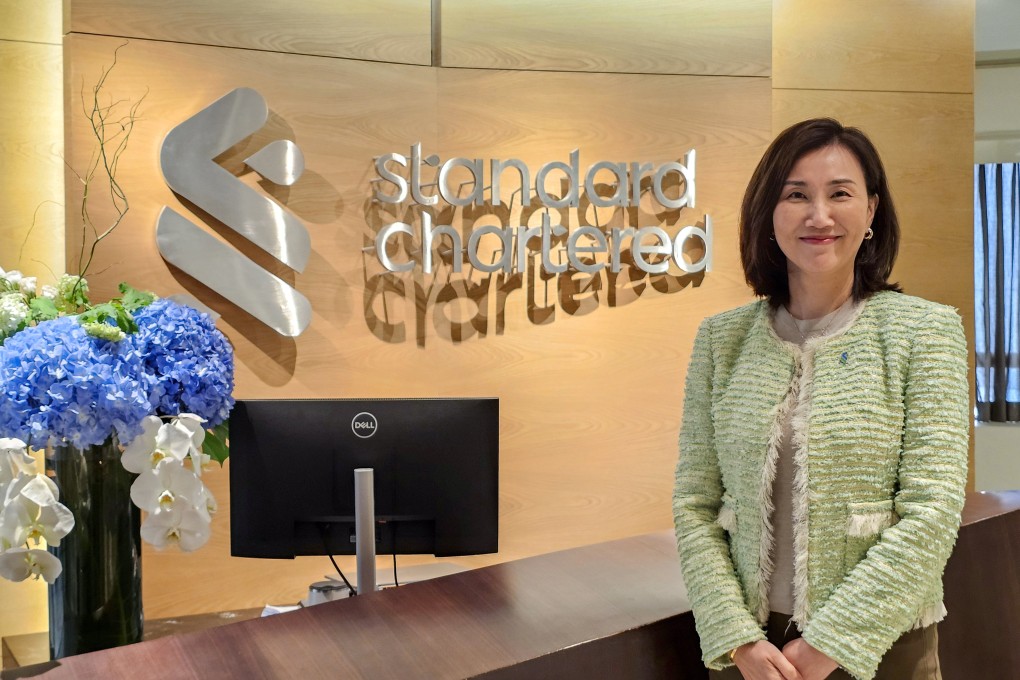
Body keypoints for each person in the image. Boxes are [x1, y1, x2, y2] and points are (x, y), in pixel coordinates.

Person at [672, 118, 969, 680]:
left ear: (872, 211)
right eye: (796, 195)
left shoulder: (924, 331)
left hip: (884, 646)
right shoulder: (722, 339)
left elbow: (932, 511)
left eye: (839, 193)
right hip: (752, 653)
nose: (819, 215)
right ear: (769, 213)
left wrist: (830, 643)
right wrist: (736, 639)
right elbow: (695, 504)